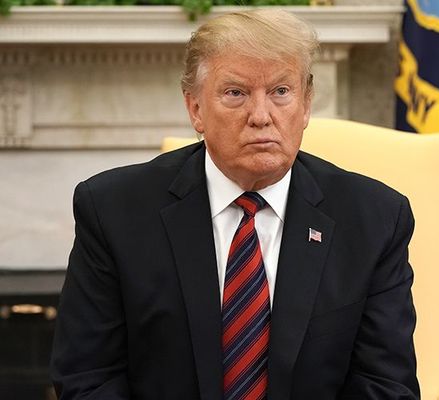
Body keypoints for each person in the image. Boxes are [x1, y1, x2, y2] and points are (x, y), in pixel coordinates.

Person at [50, 9, 419, 400]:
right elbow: (88, 377)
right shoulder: (113, 210)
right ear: (195, 109)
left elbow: (385, 386)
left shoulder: (373, 219)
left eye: (281, 92)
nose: (261, 116)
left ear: (306, 105)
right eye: (235, 93)